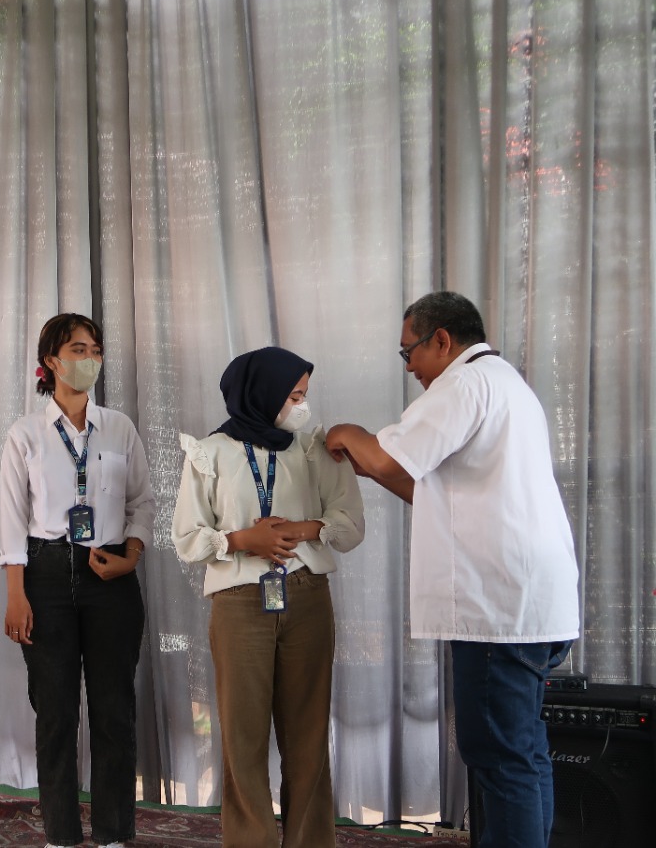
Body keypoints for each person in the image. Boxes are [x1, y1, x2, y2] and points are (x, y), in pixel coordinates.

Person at [324, 291, 579, 848]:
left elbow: (389, 457)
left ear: (442, 340)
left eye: (408, 352)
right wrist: (370, 465)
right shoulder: (504, 382)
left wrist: (345, 434)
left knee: (498, 756)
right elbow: (427, 489)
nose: (409, 367)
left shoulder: (462, 383)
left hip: (498, 607)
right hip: (533, 602)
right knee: (523, 753)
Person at [170, 347, 364, 848]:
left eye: (304, 395)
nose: (301, 406)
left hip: (306, 598)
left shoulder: (313, 448)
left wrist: (306, 528)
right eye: (293, 395)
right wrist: (241, 541)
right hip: (238, 603)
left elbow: (350, 523)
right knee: (242, 739)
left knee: (307, 739)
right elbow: (188, 538)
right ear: (262, 393)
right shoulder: (210, 453)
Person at [0, 313, 156, 848]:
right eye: (77, 349)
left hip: (110, 574)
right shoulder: (24, 434)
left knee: (114, 711)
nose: (89, 359)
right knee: (56, 714)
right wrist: (16, 595)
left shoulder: (120, 427)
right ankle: (61, 837)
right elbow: (11, 520)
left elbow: (141, 501)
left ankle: (113, 835)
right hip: (45, 575)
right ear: (51, 361)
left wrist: (131, 554)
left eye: (95, 350)